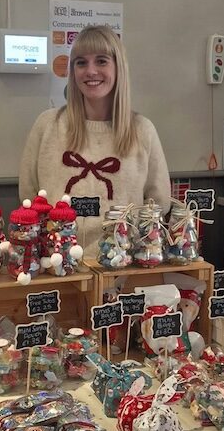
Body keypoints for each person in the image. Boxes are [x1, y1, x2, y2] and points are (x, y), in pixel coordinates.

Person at [19, 25, 171, 257]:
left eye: (101, 61)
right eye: (81, 63)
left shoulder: (143, 131)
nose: (90, 71)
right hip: (56, 263)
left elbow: (158, 203)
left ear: (118, 67)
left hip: (123, 265)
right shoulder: (48, 125)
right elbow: (29, 195)